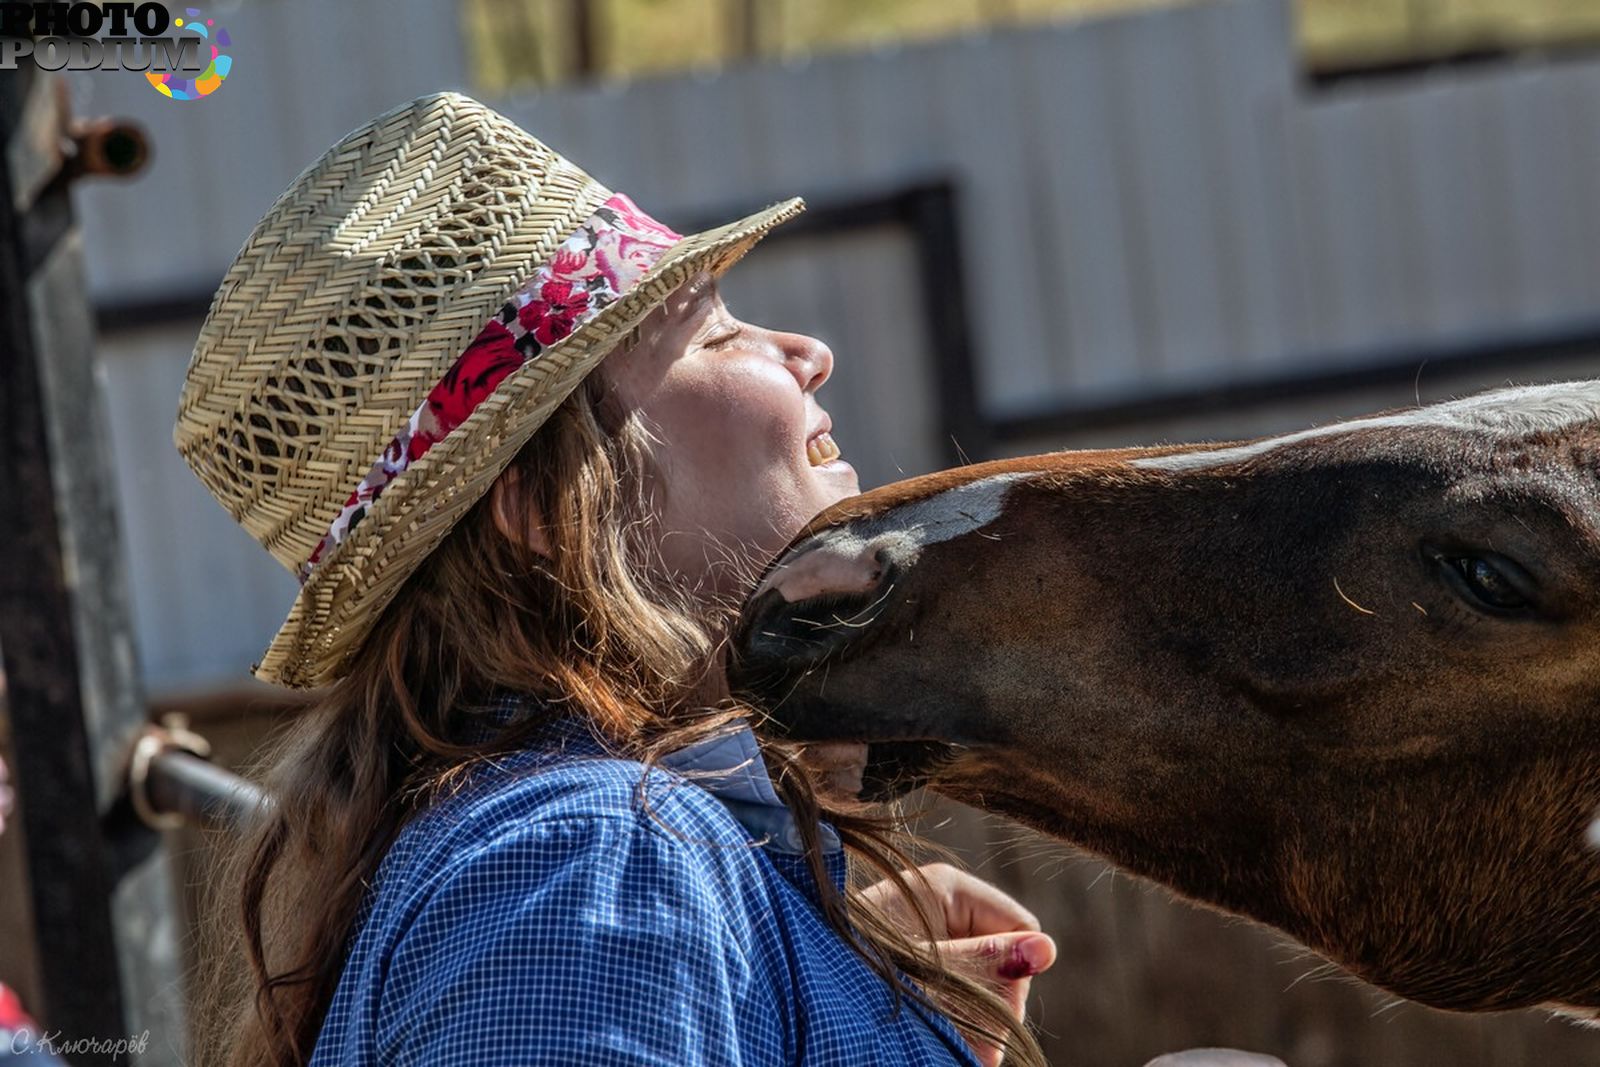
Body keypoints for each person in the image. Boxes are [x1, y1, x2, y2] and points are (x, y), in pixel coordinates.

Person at [175, 92, 1055, 1067]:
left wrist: (813, 976)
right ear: (547, 510)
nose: (807, 351)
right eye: (718, 335)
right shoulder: (598, 865)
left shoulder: (590, 867)